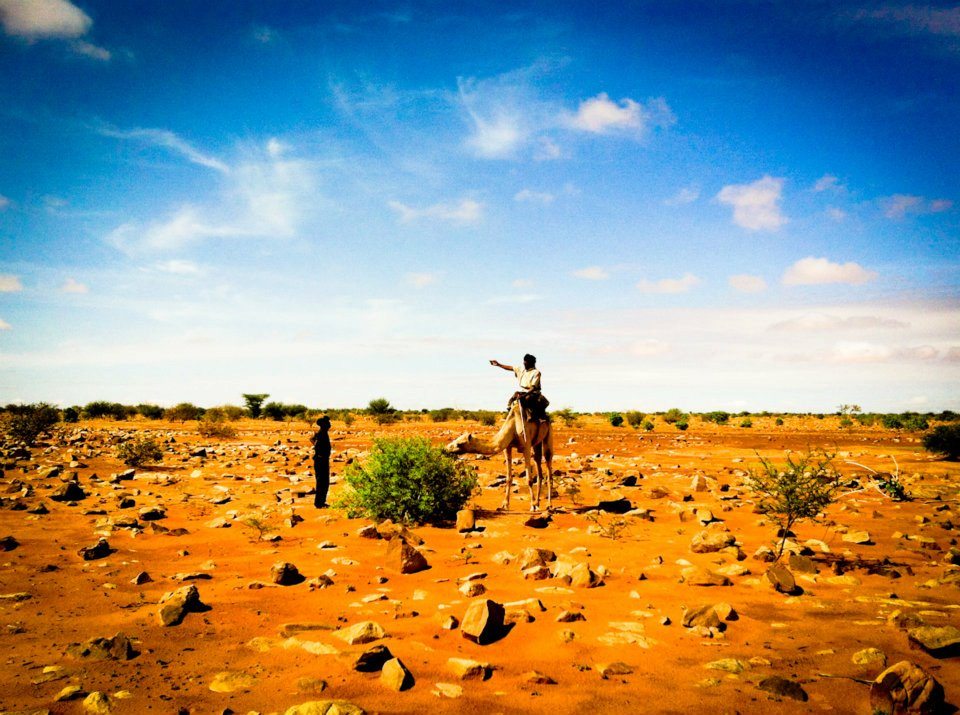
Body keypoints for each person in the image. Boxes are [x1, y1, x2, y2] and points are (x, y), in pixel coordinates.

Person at [489, 354, 549, 420]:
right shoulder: (521, 369)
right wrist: (499, 365)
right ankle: (510, 410)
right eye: (524, 362)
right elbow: (510, 368)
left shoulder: (536, 372)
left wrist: (524, 395)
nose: (524, 364)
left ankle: (529, 415)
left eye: (526, 363)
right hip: (523, 391)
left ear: (531, 363)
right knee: (514, 396)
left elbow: (533, 387)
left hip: (533, 392)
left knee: (524, 399)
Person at [309, 415, 332, 508]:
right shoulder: (322, 433)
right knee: (322, 482)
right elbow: (315, 443)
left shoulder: (322, 433)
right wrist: (319, 451)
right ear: (325, 425)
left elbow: (312, 439)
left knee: (324, 481)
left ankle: (321, 502)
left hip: (322, 459)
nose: (330, 425)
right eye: (328, 424)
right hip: (321, 460)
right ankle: (319, 503)